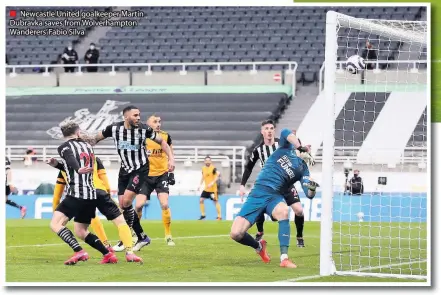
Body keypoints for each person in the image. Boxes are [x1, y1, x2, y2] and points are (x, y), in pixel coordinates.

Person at [80, 105, 175, 252]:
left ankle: (127, 238)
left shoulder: (145, 129)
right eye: (135, 115)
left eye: (139, 115)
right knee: (123, 206)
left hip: (140, 169)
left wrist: (171, 159)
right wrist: (80, 140)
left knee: (126, 202)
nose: (138, 118)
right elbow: (95, 139)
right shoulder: (114, 129)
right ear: (126, 117)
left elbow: (162, 142)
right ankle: (142, 236)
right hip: (124, 170)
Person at [230, 129, 319, 268]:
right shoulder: (285, 149)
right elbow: (285, 132)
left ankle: (284, 258)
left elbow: (309, 194)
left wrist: (312, 188)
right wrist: (298, 145)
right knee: (236, 234)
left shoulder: (303, 169)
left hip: (274, 196)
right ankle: (258, 246)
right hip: (258, 193)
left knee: (284, 211)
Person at [50, 121, 121, 265]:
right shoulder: (88, 146)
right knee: (81, 230)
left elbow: (70, 158)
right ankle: (108, 254)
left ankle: (79, 251)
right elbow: (69, 165)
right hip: (90, 194)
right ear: (78, 132)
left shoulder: (64, 147)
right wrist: (57, 165)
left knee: (55, 224)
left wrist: (77, 169)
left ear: (63, 134)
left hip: (76, 193)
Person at [239, 120, 314, 247]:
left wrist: (303, 152)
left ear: (274, 130)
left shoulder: (282, 144)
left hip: (286, 184)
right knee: (260, 208)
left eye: (271, 128)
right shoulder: (258, 150)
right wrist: (242, 185)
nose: (269, 131)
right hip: (268, 184)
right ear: (262, 132)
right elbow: (249, 167)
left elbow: (296, 151)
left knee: (299, 211)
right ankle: (260, 231)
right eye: (266, 128)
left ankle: (299, 236)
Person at [48, 155, 138, 253]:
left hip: (81, 194)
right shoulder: (94, 159)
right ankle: (129, 251)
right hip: (100, 192)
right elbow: (105, 181)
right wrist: (107, 195)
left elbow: (57, 193)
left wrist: (55, 212)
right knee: (120, 221)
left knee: (89, 220)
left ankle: (105, 245)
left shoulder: (65, 167)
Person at [114, 114, 176, 250]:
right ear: (148, 124)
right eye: (155, 122)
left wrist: (171, 170)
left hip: (161, 175)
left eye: (159, 121)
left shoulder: (165, 137)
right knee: (139, 205)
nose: (158, 124)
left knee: (164, 204)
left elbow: (170, 152)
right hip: (145, 175)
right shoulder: (142, 135)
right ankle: (136, 234)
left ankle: (168, 235)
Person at [198, 156, 222, 220]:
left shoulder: (213, 168)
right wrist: (200, 185)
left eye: (209, 160)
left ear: (211, 161)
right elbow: (203, 177)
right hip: (206, 189)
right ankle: (203, 215)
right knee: (201, 200)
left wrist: (212, 183)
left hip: (213, 189)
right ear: (204, 161)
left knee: (215, 201)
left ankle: (219, 216)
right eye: (206, 160)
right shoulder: (203, 168)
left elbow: (217, 175)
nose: (208, 162)